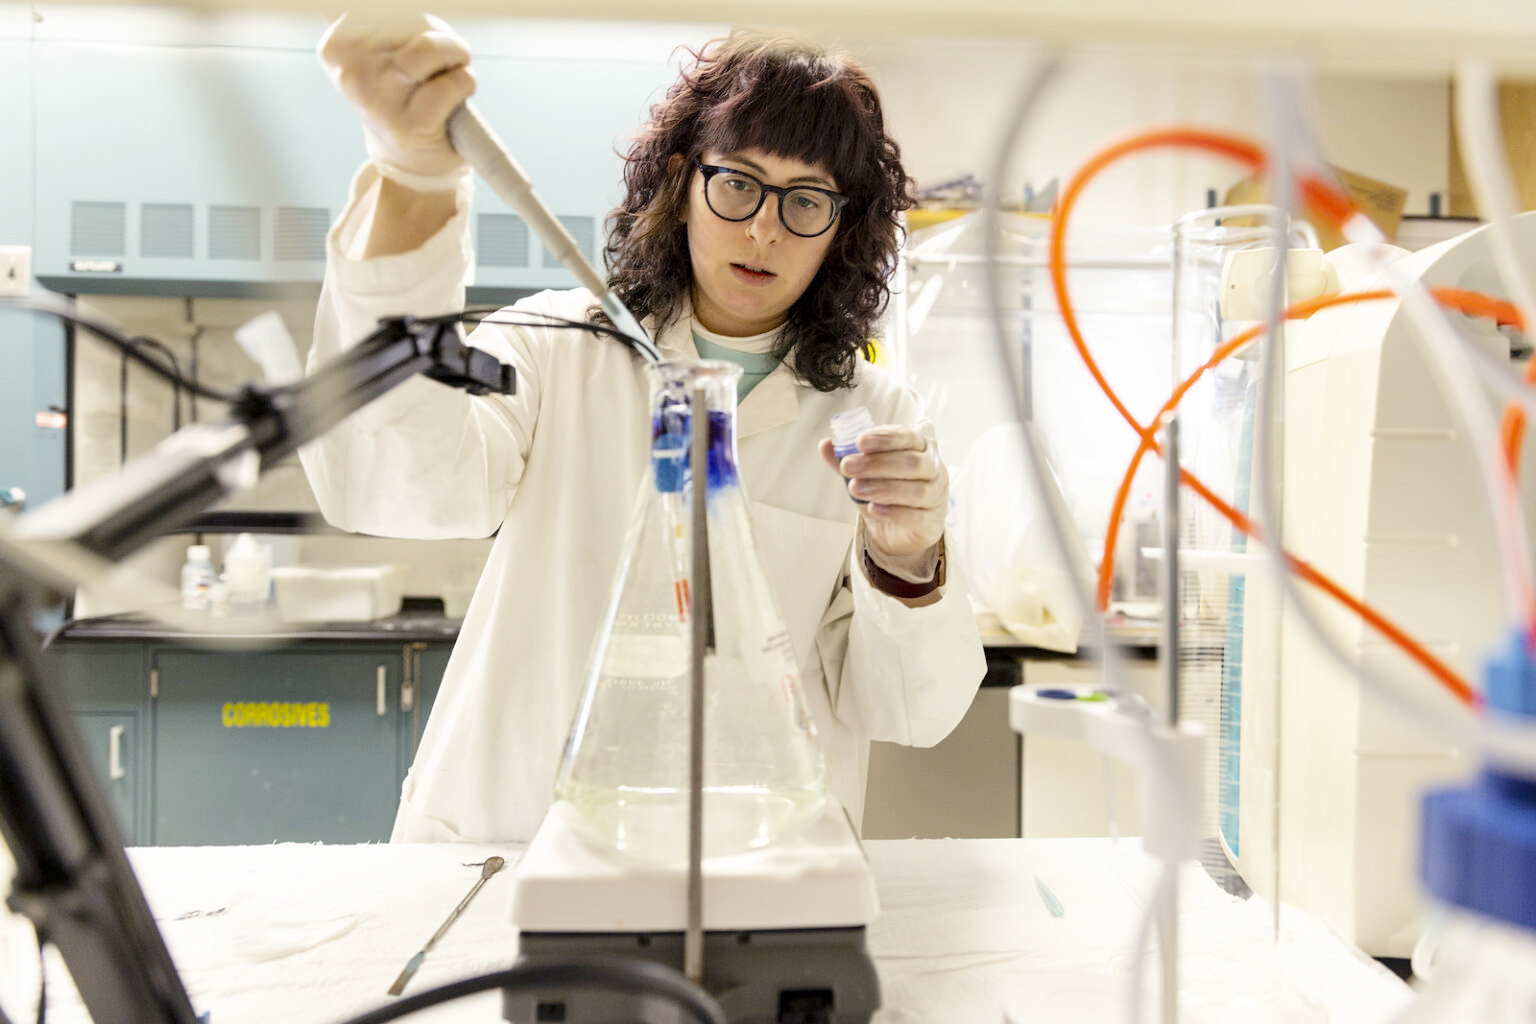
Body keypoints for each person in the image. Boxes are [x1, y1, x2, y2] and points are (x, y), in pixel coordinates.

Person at [304, 14, 987, 844]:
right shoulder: (553, 348)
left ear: (843, 228)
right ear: (680, 178)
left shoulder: (875, 420)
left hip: (756, 863)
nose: (764, 228)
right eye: (738, 182)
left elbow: (910, 709)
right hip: (518, 844)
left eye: (806, 202)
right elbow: (386, 485)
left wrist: (909, 561)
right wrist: (411, 178)